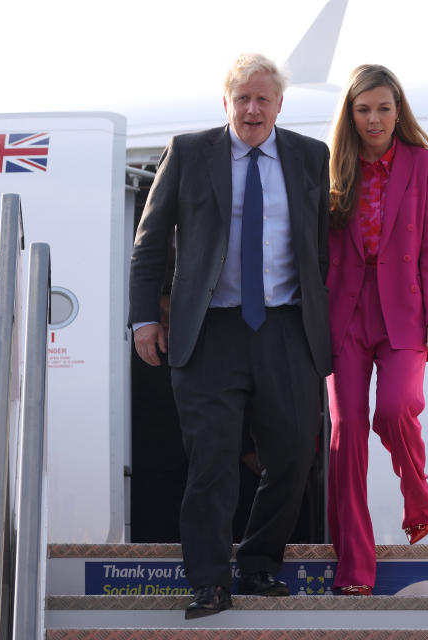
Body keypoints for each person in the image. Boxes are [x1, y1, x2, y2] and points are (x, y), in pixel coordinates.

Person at [128, 53, 332, 619]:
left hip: (286, 328)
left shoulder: (311, 157)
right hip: (210, 330)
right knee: (212, 459)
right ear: (226, 103)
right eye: (241, 98)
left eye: (263, 98)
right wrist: (145, 317)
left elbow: (321, 250)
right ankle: (210, 581)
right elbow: (149, 243)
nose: (252, 108)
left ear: (279, 105)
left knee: (293, 455)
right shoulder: (190, 152)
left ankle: (261, 565)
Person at [325, 64, 428, 596]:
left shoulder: (426, 166)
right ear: (349, 116)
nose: (374, 119)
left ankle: (417, 491)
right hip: (344, 314)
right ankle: (355, 567)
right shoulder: (331, 169)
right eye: (363, 109)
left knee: (397, 408)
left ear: (398, 109)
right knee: (346, 433)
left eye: (383, 107)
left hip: (403, 311)